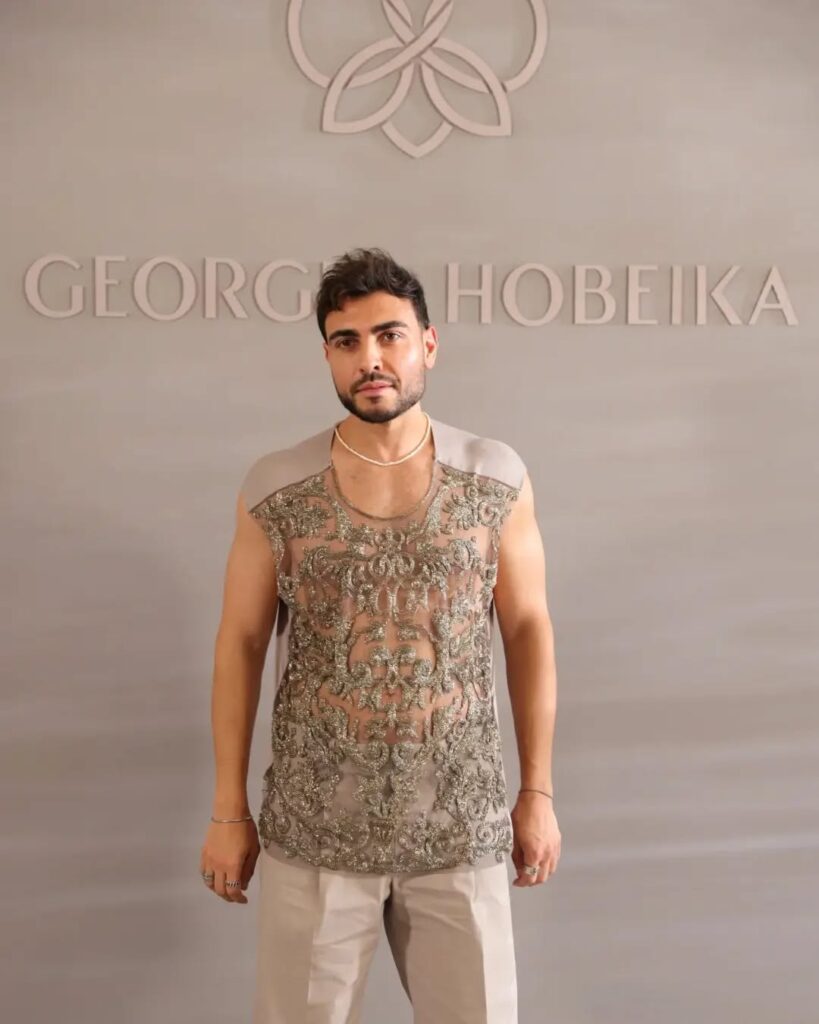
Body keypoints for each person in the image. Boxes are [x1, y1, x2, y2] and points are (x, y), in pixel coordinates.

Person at [200, 247, 560, 1024]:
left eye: (388, 335)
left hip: (459, 824)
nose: (370, 359)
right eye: (346, 341)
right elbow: (241, 644)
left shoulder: (494, 477)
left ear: (427, 344)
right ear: (327, 356)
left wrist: (536, 792)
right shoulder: (278, 486)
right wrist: (229, 811)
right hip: (315, 825)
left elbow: (527, 629)